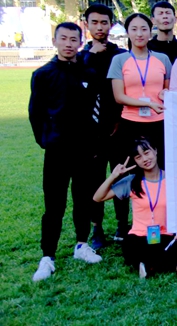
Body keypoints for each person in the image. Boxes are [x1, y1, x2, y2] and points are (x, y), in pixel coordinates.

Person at [29, 22, 102, 282]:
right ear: (55, 41)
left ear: (81, 43)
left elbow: (96, 111)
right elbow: (35, 113)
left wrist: (93, 143)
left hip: (84, 150)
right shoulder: (43, 74)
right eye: (64, 39)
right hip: (57, 150)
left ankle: (82, 244)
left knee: (83, 200)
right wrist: (46, 141)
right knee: (54, 204)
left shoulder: (89, 73)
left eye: (74, 39)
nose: (69, 44)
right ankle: (48, 255)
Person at [93, 138, 177, 278]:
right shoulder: (132, 181)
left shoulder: (173, 180)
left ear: (156, 151)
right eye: (138, 157)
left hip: (167, 235)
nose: (145, 159)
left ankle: (149, 265)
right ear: (135, 161)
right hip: (140, 237)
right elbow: (98, 197)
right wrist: (114, 176)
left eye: (147, 153)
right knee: (130, 247)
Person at [80, 4, 129, 249]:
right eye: (95, 22)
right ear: (86, 25)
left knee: (121, 176)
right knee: (95, 181)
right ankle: (96, 228)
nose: (99, 27)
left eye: (104, 22)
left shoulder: (120, 55)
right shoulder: (80, 57)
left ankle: (122, 224)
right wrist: (90, 55)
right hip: (91, 133)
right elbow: (80, 88)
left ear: (111, 24)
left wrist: (120, 120)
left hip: (118, 128)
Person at [108, 13, 172, 168]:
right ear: (127, 32)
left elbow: (169, 90)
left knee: (161, 166)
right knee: (131, 168)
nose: (139, 34)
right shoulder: (119, 60)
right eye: (134, 29)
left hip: (159, 122)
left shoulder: (163, 59)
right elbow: (119, 96)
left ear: (150, 32)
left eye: (144, 29)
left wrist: (165, 93)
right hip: (130, 123)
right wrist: (148, 104)